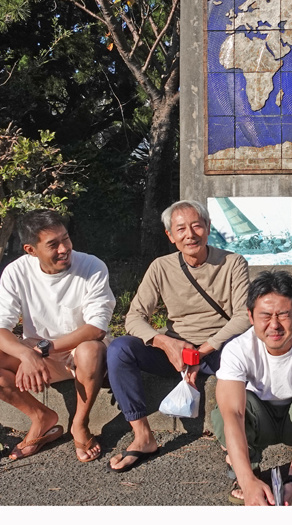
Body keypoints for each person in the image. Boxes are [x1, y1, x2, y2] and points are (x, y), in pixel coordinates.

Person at [106, 199, 251, 472]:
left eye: (197, 226)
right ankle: (142, 435)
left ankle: (233, 439)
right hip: (175, 353)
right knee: (119, 350)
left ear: (208, 228)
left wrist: (202, 351)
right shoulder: (161, 267)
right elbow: (134, 317)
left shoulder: (232, 263)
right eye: (181, 229)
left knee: (244, 356)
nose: (190, 234)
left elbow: (244, 316)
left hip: (219, 349)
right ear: (171, 236)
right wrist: (165, 342)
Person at [0, 209, 116, 462]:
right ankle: (41, 417)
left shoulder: (92, 266)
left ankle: (79, 424)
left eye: (66, 238)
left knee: (89, 349)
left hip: (80, 354)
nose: (64, 248)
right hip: (40, 355)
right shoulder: (16, 272)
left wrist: (45, 349)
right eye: (53, 244)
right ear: (31, 250)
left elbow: (96, 327)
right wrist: (26, 354)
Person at [214, 270, 292, 506]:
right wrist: (246, 480)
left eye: (283, 315)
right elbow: (234, 414)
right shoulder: (236, 349)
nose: (274, 325)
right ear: (250, 317)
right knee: (224, 412)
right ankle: (247, 474)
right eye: (265, 316)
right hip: (259, 417)